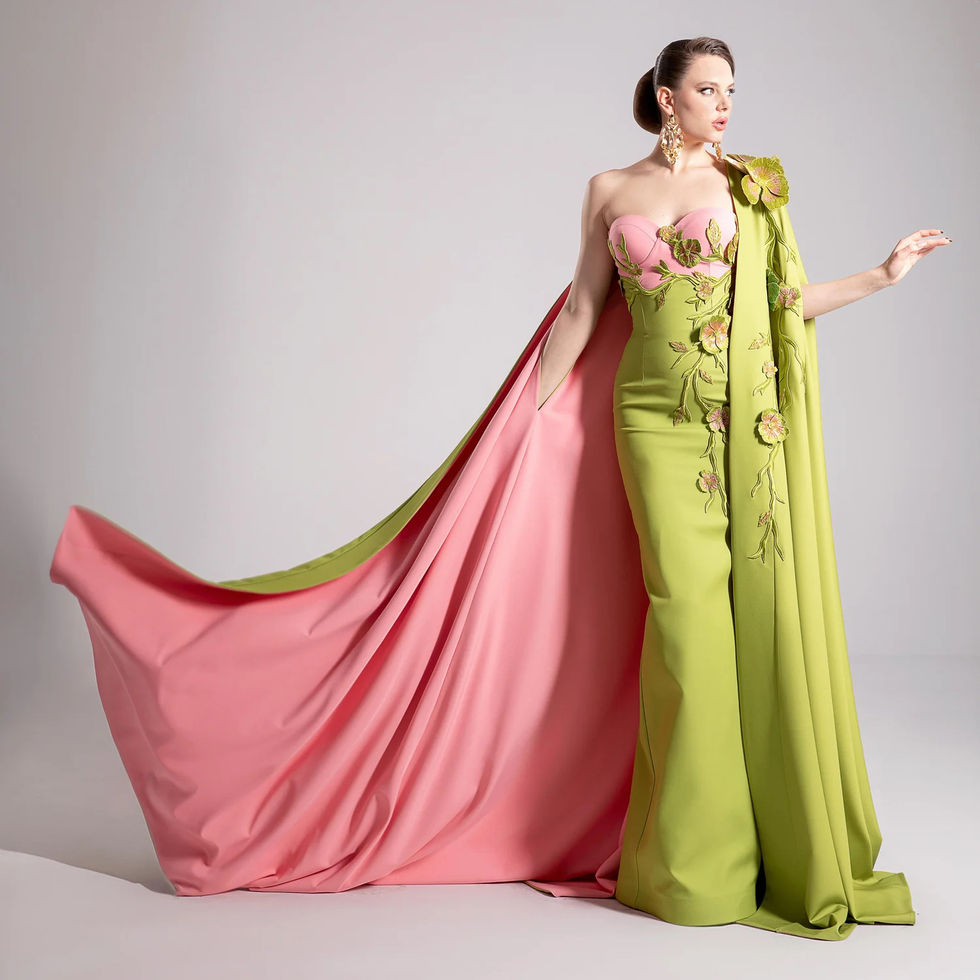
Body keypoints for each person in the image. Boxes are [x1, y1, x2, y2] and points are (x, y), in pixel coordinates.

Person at [49, 36, 944, 941]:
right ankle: (692, 866)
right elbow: (585, 309)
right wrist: (527, 416)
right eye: (709, 89)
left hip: (735, 423)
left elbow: (782, 306)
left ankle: (742, 848)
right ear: (667, 97)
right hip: (647, 423)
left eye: (732, 91)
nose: (725, 106)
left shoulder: (751, 188)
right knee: (687, 621)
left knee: (746, 618)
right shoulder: (610, 190)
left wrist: (880, 276)